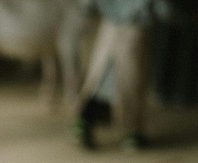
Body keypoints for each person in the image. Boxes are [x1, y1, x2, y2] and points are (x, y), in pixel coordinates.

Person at [73, 0, 173, 150]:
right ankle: (125, 131)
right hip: (119, 26)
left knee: (127, 79)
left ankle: (130, 131)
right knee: (106, 79)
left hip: (129, 27)